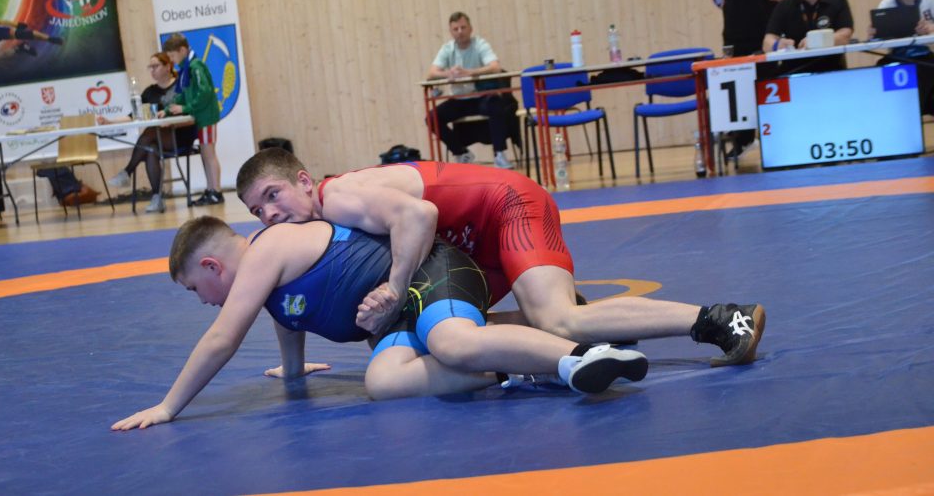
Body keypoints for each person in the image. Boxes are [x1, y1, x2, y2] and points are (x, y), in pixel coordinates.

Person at [236, 149, 766, 370]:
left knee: (555, 318)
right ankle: (594, 332)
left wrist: (394, 287)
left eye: (273, 195)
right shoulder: (313, 226)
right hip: (469, 245)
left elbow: (419, 215)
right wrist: (293, 367)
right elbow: (286, 293)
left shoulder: (337, 198)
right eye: (257, 210)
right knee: (439, 330)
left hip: (504, 208)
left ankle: (723, 319)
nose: (270, 214)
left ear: (303, 181)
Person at [110, 216, 649, 430]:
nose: (201, 301)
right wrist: (292, 370)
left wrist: (168, 406)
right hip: (401, 316)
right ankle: (537, 351)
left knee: (456, 343)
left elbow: (222, 339)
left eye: (194, 289)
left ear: (212, 266)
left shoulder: (264, 250)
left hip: (429, 273)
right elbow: (289, 317)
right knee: (384, 381)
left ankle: (577, 358)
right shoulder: (266, 280)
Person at [699, 0, 803, 159]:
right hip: (734, 32)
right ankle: (744, 140)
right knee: (739, 86)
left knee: (767, 83)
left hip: (766, 30)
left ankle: (777, 137)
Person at [104, 52, 198, 213]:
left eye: (156, 66)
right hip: (159, 137)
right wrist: (110, 122)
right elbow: (134, 115)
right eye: (150, 67)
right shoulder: (150, 92)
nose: (152, 70)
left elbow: (192, 112)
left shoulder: (181, 85)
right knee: (150, 150)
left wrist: (172, 120)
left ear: (168, 66)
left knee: (151, 132)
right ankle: (157, 198)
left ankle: (127, 172)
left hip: (181, 133)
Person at [426, 12, 514, 169]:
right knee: (431, 118)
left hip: (480, 96)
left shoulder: (480, 44)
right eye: (456, 29)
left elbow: (495, 67)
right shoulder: (447, 49)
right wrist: (448, 74)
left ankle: (499, 154)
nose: (460, 32)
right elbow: (431, 73)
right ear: (451, 32)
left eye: (463, 27)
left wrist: (470, 72)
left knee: (497, 105)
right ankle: (461, 153)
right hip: (459, 99)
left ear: (470, 28)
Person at [763, 0, 854, 75]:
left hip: (831, 70)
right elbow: (767, 42)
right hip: (794, 72)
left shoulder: (838, 1)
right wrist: (777, 45)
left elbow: (845, 35)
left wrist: (816, 41)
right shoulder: (784, 6)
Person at [162, 33, 224, 206]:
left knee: (209, 155)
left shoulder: (196, 66)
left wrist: (186, 108)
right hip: (200, 117)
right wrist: (167, 110)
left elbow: (205, 92)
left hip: (206, 117)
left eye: (172, 56)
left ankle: (216, 191)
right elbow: (183, 95)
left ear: (182, 50)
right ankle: (211, 190)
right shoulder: (186, 67)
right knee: (205, 155)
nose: (171, 60)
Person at [870, 0, 934, 116]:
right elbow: (879, 38)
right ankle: (895, 115)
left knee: (926, 70)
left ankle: (918, 111)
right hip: (897, 56)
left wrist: (930, 29)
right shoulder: (887, 3)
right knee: (879, 71)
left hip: (925, 55)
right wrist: (875, 33)